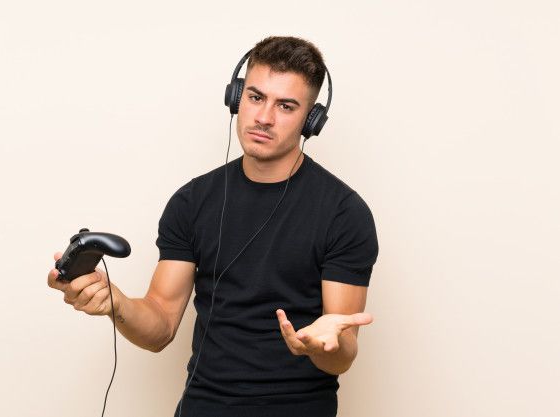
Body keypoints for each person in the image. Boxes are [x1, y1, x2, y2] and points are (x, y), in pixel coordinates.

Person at [47, 36, 379, 417]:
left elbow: (342, 351)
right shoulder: (192, 202)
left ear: (311, 120)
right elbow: (160, 326)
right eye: (255, 98)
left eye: (286, 106)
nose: (264, 117)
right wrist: (116, 303)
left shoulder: (344, 213)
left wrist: (327, 346)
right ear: (236, 98)